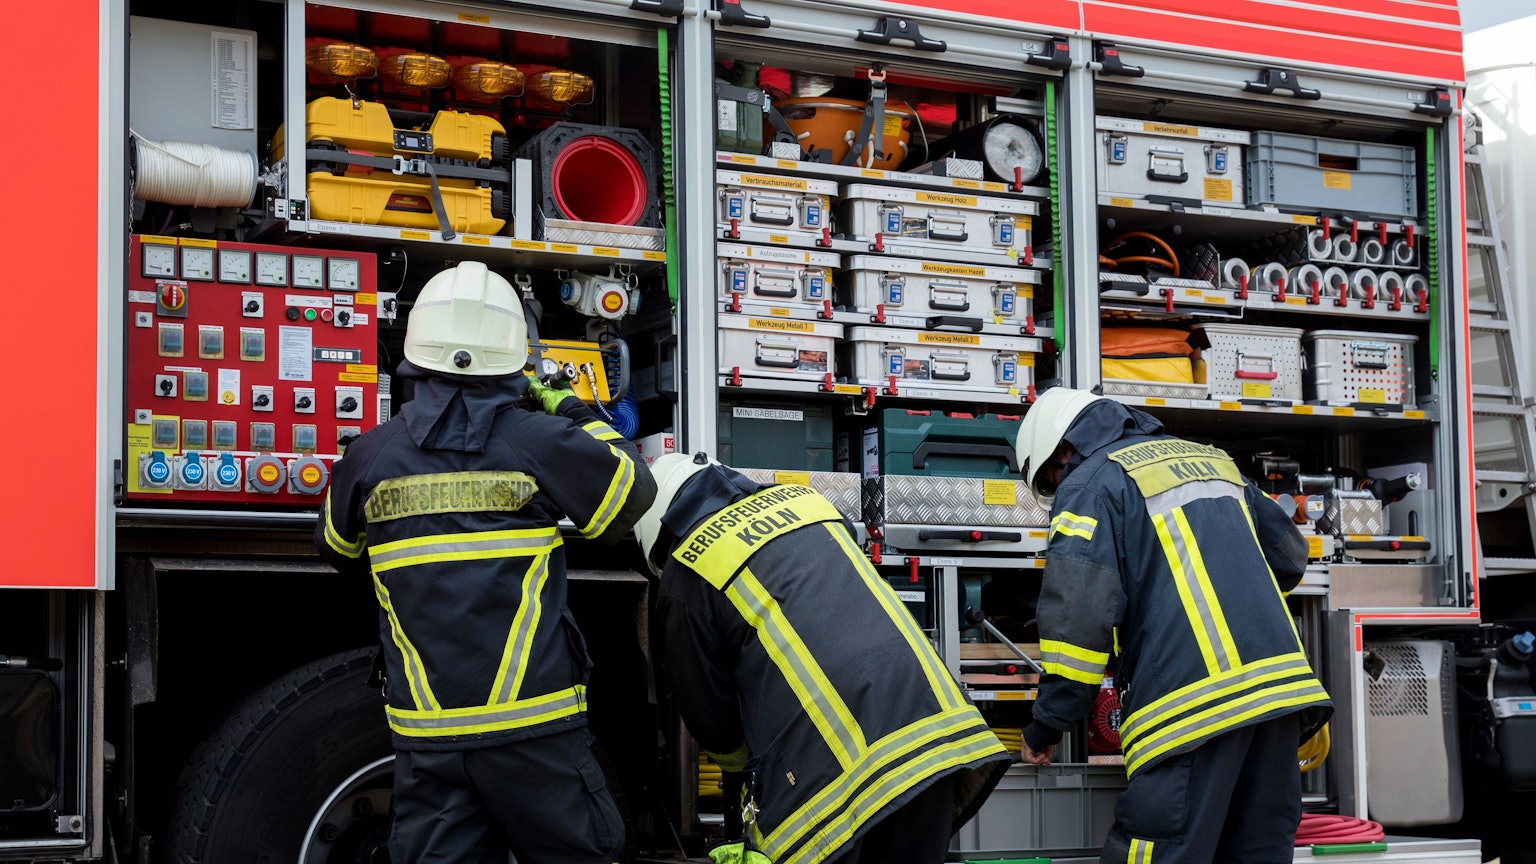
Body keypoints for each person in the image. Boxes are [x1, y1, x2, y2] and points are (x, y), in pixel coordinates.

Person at [315, 260, 656, 864]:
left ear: (415, 356)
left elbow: (339, 551)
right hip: (537, 735)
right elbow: (630, 497)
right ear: (513, 359)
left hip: (429, 743)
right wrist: (573, 412)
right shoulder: (538, 441)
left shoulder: (370, 456)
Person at [635, 452, 1012, 864]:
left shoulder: (688, 569)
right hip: (935, 736)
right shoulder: (809, 503)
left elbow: (712, 720)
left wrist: (751, 773)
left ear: (658, 533)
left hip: (836, 784)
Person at [1013, 387, 1333, 864]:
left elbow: (1077, 624)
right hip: (1279, 703)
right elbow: (1290, 558)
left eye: (1053, 476)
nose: (1061, 484)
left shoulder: (1091, 484)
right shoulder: (1214, 462)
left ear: (1063, 449)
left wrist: (1046, 726)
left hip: (1194, 711)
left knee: (1156, 851)